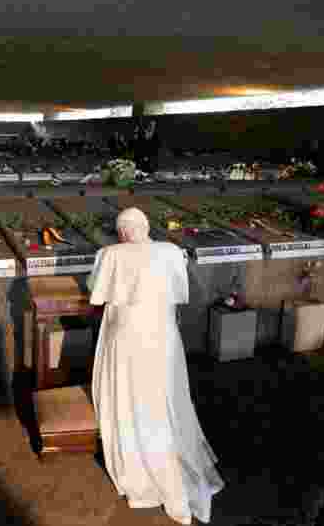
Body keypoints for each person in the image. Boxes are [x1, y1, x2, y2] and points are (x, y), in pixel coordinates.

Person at [89, 208, 224, 524]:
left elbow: (96, 296)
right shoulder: (171, 251)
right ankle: (169, 457)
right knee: (164, 399)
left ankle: (139, 466)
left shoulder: (110, 254)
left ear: (122, 232)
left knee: (129, 398)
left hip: (128, 339)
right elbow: (178, 293)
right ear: (146, 227)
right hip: (163, 338)